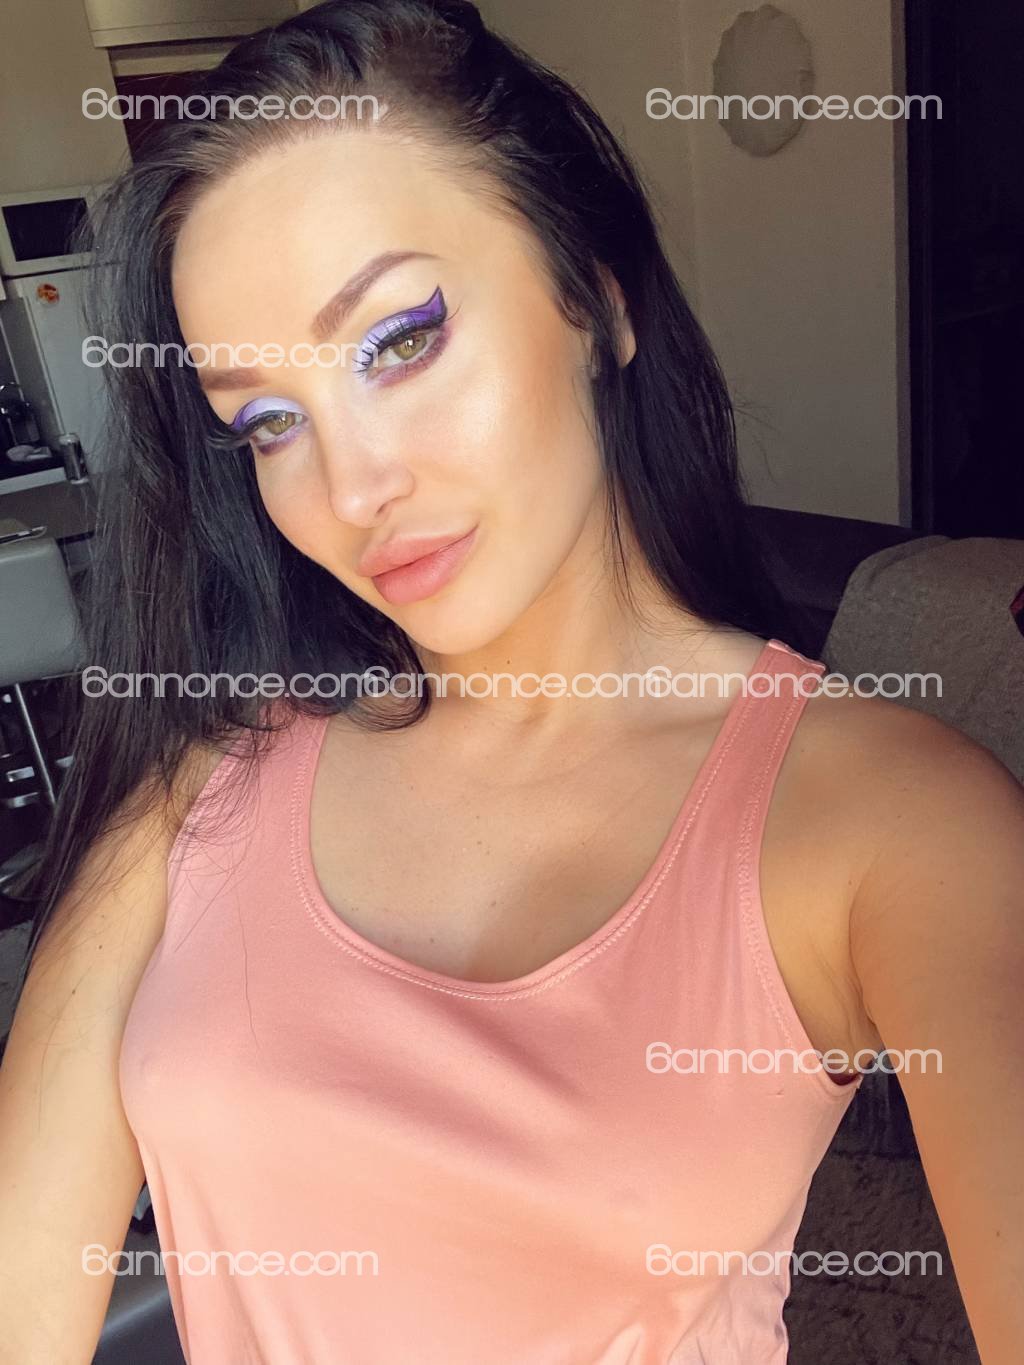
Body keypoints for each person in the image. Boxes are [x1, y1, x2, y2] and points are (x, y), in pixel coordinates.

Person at [1, 2, 1021, 1361]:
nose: (354, 486)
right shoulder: (210, 772)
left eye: (400, 340)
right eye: (270, 421)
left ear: (597, 301)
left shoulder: (890, 822)